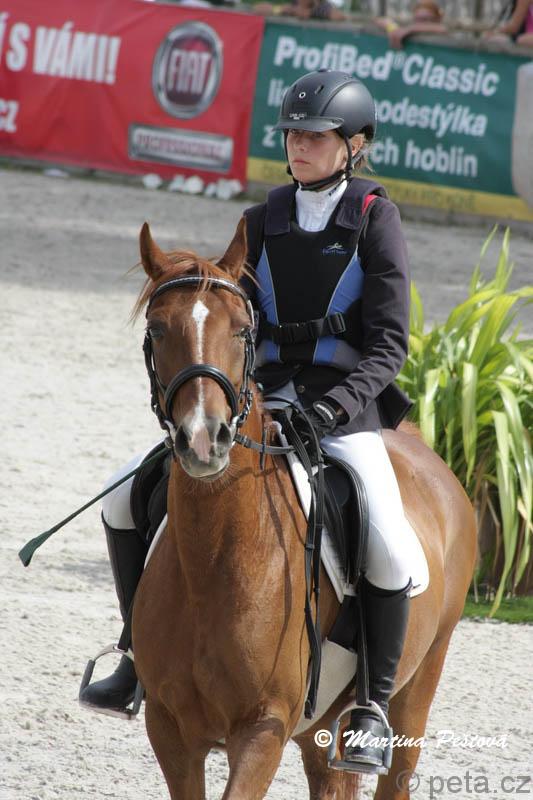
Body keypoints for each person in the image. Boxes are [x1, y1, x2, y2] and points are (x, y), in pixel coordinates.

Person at [80, 69, 419, 775]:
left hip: (344, 409)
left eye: (316, 136)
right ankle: (136, 657)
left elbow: (389, 345)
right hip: (260, 401)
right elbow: (235, 318)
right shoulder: (263, 217)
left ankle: (372, 707)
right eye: (293, 135)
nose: (299, 146)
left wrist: (333, 405)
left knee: (389, 544)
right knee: (122, 495)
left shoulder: (374, 217)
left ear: (353, 145)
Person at [373, 0, 447, 49]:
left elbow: (442, 29)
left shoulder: (440, 32)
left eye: (425, 19)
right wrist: (392, 28)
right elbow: (380, 20)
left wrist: (410, 29)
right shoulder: (409, 29)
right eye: (417, 19)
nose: (420, 23)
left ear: (437, 19)